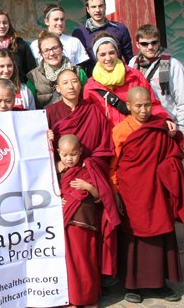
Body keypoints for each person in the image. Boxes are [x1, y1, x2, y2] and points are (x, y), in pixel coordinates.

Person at [110, 87, 184, 304]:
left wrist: (172, 140)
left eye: (147, 104)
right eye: (138, 106)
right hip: (131, 192)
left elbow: (173, 152)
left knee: (161, 232)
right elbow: (113, 166)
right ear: (128, 106)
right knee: (133, 236)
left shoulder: (160, 126)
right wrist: (116, 191)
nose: (143, 110)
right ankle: (132, 285)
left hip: (157, 189)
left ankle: (160, 284)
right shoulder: (121, 130)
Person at [45, 69, 121, 282]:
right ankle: (67, 283)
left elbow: (105, 145)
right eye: (65, 83)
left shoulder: (94, 110)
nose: (71, 86)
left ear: (81, 85)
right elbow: (40, 149)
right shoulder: (50, 112)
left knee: (89, 233)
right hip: (63, 177)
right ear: (57, 88)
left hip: (89, 174)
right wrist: (55, 158)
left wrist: (89, 163)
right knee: (66, 235)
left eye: (74, 81)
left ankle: (92, 280)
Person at [83, 33, 173, 128]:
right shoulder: (91, 87)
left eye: (112, 53)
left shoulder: (135, 76)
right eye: (102, 54)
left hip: (135, 135)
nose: (108, 58)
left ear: (117, 53)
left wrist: (165, 119)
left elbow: (152, 104)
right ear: (96, 57)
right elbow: (89, 118)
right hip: (107, 138)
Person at [57, 134, 103, 308]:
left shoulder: (89, 168)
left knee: (86, 262)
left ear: (81, 151)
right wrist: (57, 200)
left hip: (85, 225)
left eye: (73, 154)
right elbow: (50, 192)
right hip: (65, 225)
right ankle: (71, 299)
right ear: (58, 153)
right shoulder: (56, 172)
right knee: (68, 264)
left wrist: (88, 187)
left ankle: (89, 299)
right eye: (65, 155)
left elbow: (101, 196)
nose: (69, 158)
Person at [129, 24, 184, 138]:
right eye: (144, 44)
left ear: (159, 42)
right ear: (137, 44)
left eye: (154, 43)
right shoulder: (133, 63)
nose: (150, 47)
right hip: (140, 126)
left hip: (167, 126)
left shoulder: (173, 65)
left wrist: (181, 131)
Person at [72, 0, 133, 73]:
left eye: (100, 6)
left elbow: (130, 59)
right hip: (93, 79)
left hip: (118, 77)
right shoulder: (79, 33)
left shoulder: (120, 29)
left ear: (105, 7)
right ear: (88, 9)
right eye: (93, 7)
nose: (97, 10)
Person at [26, 31, 87, 109]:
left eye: (55, 48)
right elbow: (30, 106)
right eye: (46, 50)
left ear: (62, 48)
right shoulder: (34, 77)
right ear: (41, 53)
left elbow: (87, 98)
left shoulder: (78, 72)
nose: (51, 53)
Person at [0, 9, 36, 83]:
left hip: (18, 90)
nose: (2, 26)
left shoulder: (21, 45)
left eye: (5, 23)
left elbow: (31, 71)